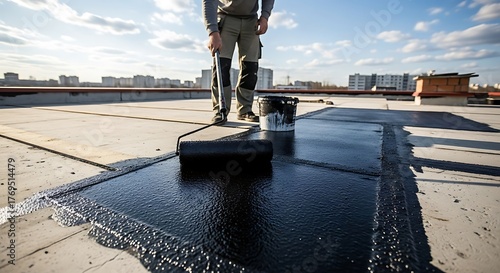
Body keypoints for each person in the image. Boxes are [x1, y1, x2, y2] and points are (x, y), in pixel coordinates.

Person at [202, 0, 275, 124]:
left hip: (251, 20)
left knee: (251, 67)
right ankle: (221, 110)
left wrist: (265, 16)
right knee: (221, 66)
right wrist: (213, 32)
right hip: (226, 17)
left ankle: (245, 110)